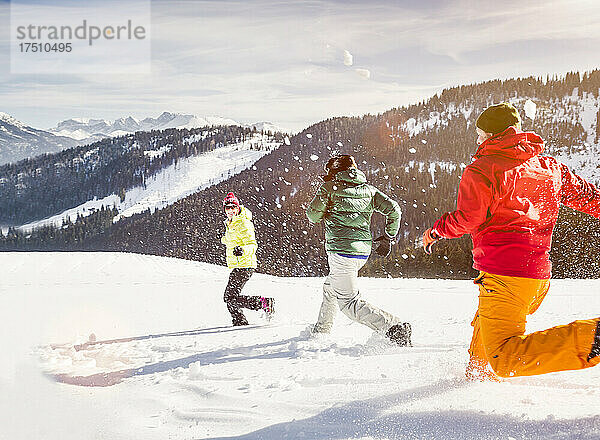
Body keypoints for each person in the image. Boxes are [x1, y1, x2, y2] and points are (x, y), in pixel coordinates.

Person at [422, 102, 600, 380]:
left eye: (480, 134)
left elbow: (469, 218)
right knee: (486, 321)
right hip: (537, 278)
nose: (477, 139)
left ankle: (593, 337)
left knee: (506, 359)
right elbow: (588, 197)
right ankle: (478, 379)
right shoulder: (549, 166)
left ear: (494, 135)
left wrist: (436, 231)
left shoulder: (482, 169)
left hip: (505, 277)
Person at [306, 154, 412, 346]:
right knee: (330, 287)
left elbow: (312, 215)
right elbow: (394, 210)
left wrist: (326, 195)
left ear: (334, 171)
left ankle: (393, 327)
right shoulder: (369, 190)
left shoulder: (330, 188)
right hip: (361, 252)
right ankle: (321, 331)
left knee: (348, 303)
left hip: (341, 252)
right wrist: (388, 237)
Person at [221, 192, 274, 326]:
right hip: (239, 265)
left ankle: (263, 303)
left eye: (233, 207)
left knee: (229, 297)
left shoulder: (243, 223)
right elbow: (231, 240)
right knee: (230, 297)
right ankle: (240, 321)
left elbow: (252, 244)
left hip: (245, 265)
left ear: (238, 208)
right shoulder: (230, 223)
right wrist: (224, 239)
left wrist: (243, 250)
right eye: (228, 208)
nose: (231, 210)